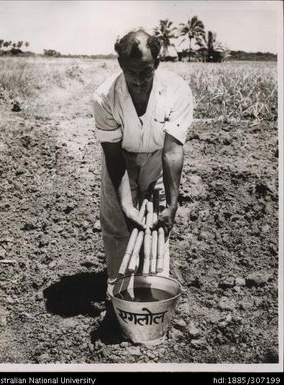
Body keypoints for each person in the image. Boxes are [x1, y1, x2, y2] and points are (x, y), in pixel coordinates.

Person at [92, 29, 193, 293]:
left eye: (146, 73)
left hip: (159, 157)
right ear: (120, 64)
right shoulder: (104, 97)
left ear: (157, 64)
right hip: (122, 157)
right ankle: (119, 290)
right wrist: (126, 204)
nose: (138, 81)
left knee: (159, 222)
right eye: (131, 72)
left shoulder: (177, 91)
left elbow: (172, 151)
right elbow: (112, 154)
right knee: (116, 223)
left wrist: (172, 205)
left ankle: (153, 288)